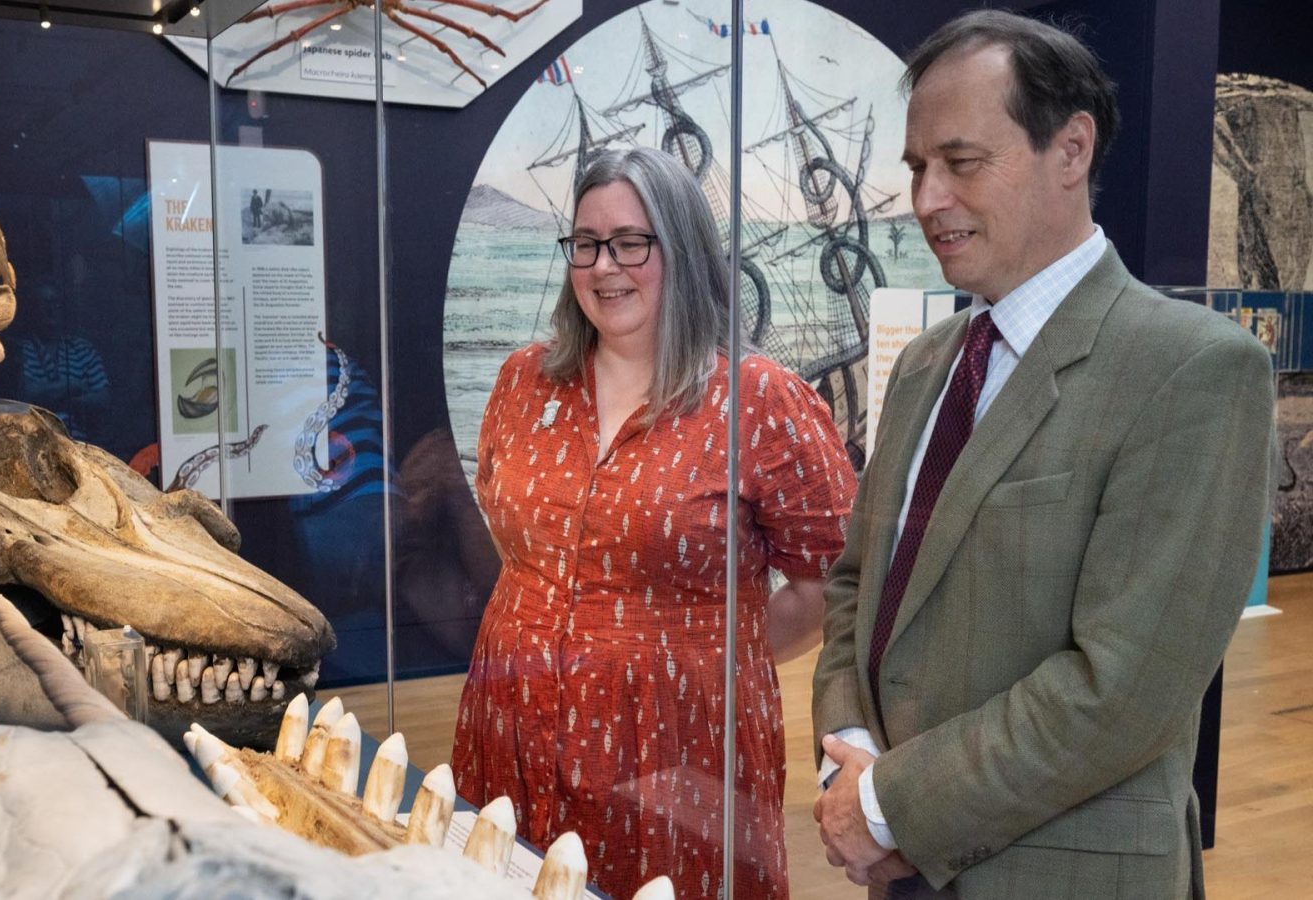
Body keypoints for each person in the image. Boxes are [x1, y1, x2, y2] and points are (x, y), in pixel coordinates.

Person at [811, 10, 1275, 899]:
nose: (927, 199)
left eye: (962, 162)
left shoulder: (1193, 371)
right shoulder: (922, 367)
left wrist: (889, 804)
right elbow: (856, 584)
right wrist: (851, 759)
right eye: (917, 168)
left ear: (1071, 150)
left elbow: (1122, 691)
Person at [452, 146, 857, 899]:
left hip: (678, 743)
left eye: (632, 242)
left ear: (685, 250)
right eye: (586, 243)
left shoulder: (760, 400)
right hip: (511, 717)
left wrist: (699, 662)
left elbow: (831, 582)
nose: (605, 267)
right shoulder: (520, 381)